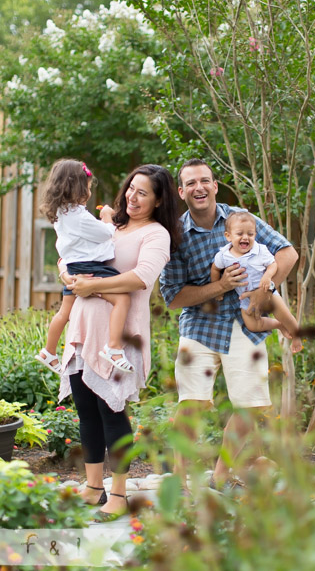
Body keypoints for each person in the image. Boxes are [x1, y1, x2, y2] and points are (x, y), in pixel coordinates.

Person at [159, 158, 299, 488]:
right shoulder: (175, 234)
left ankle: (219, 478)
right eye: (191, 183)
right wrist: (220, 286)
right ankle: (179, 481)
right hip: (200, 323)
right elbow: (174, 297)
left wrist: (263, 291)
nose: (199, 187)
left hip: (245, 322)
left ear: (215, 185)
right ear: (181, 192)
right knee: (192, 403)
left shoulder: (240, 220)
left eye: (204, 180)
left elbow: (287, 253)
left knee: (251, 406)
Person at [58, 164, 181, 520]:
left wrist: (92, 285)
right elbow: (68, 253)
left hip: (119, 335)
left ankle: (119, 493)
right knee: (85, 410)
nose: (133, 196)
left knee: (111, 412)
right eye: (131, 188)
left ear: (159, 201)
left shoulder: (156, 235)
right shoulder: (111, 226)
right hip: (83, 330)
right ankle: (93, 486)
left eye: (143, 193)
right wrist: (68, 274)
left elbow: (141, 278)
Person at [36, 159, 133, 375]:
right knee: (123, 298)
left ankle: (48, 351)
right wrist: (107, 217)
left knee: (64, 312)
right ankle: (114, 348)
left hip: (73, 267)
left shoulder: (61, 213)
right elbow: (106, 233)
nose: (89, 192)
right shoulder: (78, 217)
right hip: (91, 268)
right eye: (88, 187)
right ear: (78, 188)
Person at [210, 211, 302, 351]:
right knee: (253, 325)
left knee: (285, 315)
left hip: (266, 291)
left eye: (250, 234)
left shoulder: (259, 250)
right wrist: (217, 288)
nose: (245, 237)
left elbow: (273, 264)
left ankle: (296, 336)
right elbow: (215, 269)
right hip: (245, 298)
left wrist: (267, 276)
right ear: (228, 236)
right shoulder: (224, 255)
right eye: (240, 234)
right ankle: (278, 325)